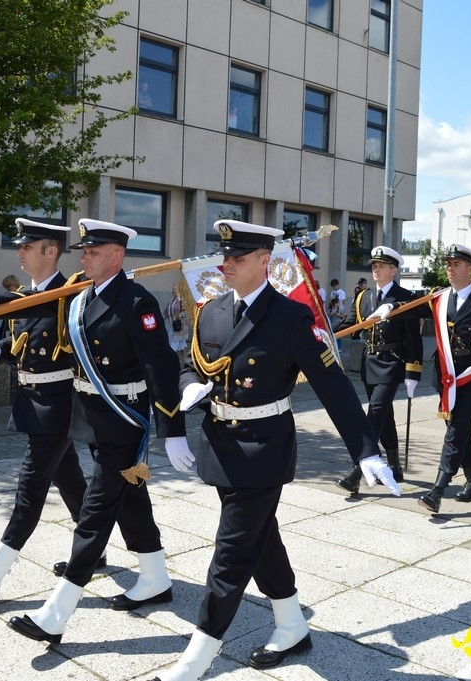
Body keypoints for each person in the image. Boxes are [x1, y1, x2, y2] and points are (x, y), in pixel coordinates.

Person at [154, 220, 401, 681]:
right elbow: (190, 364)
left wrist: (366, 451)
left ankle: (197, 657)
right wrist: (187, 392)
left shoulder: (290, 317)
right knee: (261, 538)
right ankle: (291, 626)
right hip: (220, 445)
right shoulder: (211, 310)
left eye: (237, 257)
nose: (225, 264)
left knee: (231, 553)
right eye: (224, 256)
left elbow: (332, 385)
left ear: (265, 261)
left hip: (263, 450)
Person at [0, 218, 190, 646]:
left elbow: (161, 366)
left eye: (94, 252)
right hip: (93, 419)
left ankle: (56, 613)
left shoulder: (137, 302)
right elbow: (37, 305)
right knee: (131, 496)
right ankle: (155, 577)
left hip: (124, 420)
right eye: (84, 252)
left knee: (94, 514)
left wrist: (172, 429)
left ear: (117, 256)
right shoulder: (81, 297)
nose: (85, 258)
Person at [0, 219, 96, 602]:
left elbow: (49, 311)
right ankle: (94, 547)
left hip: (60, 405)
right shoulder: (26, 296)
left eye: (28, 246)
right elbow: (24, 340)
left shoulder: (73, 292)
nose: (20, 252)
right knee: (69, 478)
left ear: (51, 251)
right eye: (20, 246)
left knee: (31, 485)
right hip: (32, 401)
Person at [376, 244, 471, 513]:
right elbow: (413, 307)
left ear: (470, 268)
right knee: (458, 428)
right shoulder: (440, 297)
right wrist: (391, 306)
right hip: (445, 374)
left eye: (456, 264)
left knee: (457, 428)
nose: (450, 268)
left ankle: (438, 488)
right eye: (448, 264)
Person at [335, 246, 422, 494]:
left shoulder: (405, 297)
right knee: (385, 416)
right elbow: (351, 322)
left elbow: (413, 337)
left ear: (393, 270)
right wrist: (326, 332)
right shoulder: (364, 297)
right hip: (370, 362)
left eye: (381, 265)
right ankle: (394, 465)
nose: (376, 269)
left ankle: (357, 472)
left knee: (374, 414)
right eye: (374, 265)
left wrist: (413, 371)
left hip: (392, 362)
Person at [165, 282, 189, 363]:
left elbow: (186, 312)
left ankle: (171, 358)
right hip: (173, 323)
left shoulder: (182, 301)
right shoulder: (172, 300)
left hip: (180, 325)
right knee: (181, 342)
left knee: (174, 342)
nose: (174, 291)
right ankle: (184, 358)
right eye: (173, 289)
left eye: (175, 289)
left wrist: (179, 316)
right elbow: (167, 311)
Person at [0, 274, 21, 341]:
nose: (8, 290)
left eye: (9, 287)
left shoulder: (21, 294)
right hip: (8, 323)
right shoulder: (11, 295)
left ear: (13, 285)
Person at [327, 278, 347, 350]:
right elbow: (330, 301)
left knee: (338, 331)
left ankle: (339, 347)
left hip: (339, 311)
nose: (334, 288)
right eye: (333, 287)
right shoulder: (332, 293)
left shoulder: (341, 292)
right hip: (333, 311)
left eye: (335, 286)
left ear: (337, 285)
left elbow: (343, 302)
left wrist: (340, 310)